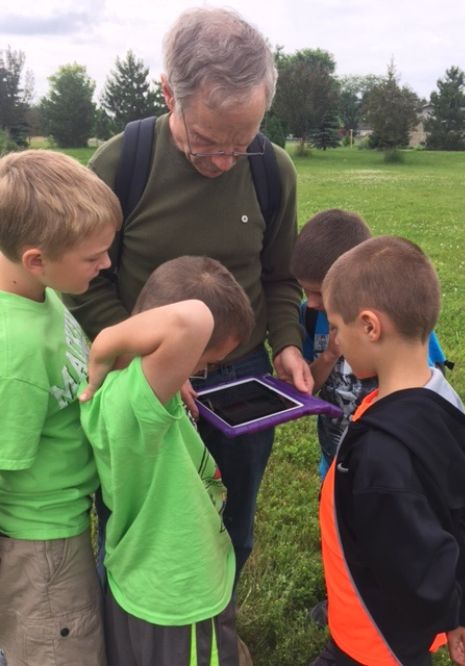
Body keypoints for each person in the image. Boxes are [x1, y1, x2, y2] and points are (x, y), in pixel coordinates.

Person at [65, 6, 312, 579]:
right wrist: (149, 363)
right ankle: (128, 629)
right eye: (206, 142)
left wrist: (289, 342)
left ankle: (215, 626)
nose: (224, 160)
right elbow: (87, 283)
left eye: (241, 143)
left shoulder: (272, 170)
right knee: (133, 519)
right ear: (168, 94)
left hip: (242, 372)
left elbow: (280, 276)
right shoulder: (122, 163)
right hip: (144, 378)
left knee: (231, 518)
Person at [313, 236, 465, 666]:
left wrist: (447, 609)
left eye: (336, 327)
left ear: (370, 326)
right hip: (381, 636)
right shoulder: (442, 403)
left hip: (371, 643)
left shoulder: (381, 456)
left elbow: (419, 570)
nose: (333, 339)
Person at [78, 256, 256, 666]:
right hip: (178, 597)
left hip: (150, 581)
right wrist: (108, 340)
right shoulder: (135, 402)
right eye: (202, 360)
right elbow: (192, 320)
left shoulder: (138, 390)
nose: (200, 369)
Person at [0, 150, 122, 664]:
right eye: (93, 257)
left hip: (63, 522)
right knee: (60, 649)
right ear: (36, 258)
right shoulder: (18, 349)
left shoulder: (38, 292)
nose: (106, 264)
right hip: (42, 543)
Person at [291, 209, 449, 481]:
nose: (313, 301)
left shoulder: (398, 324)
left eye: (319, 292)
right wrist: (329, 355)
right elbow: (309, 386)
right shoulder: (310, 316)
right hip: (335, 460)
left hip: (390, 465)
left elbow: (428, 387)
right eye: (305, 291)